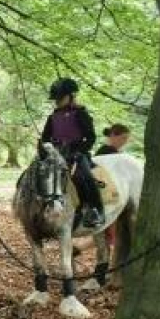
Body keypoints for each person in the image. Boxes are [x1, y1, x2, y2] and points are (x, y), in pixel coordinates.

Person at [39, 78, 103, 228]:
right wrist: (47, 149)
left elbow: (91, 137)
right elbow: (45, 138)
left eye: (60, 98)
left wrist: (78, 152)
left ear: (71, 96)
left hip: (77, 154)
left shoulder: (81, 113)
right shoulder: (53, 116)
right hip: (56, 155)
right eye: (56, 99)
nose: (57, 101)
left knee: (83, 176)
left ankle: (94, 209)